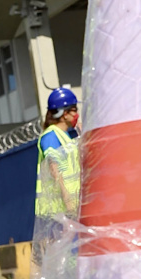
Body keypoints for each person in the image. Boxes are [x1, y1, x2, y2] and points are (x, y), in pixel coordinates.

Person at [35, 87, 81, 222]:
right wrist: (67, 200)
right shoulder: (51, 136)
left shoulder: (64, 136)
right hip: (56, 212)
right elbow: (54, 167)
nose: (77, 114)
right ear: (64, 113)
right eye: (74, 110)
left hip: (67, 209)